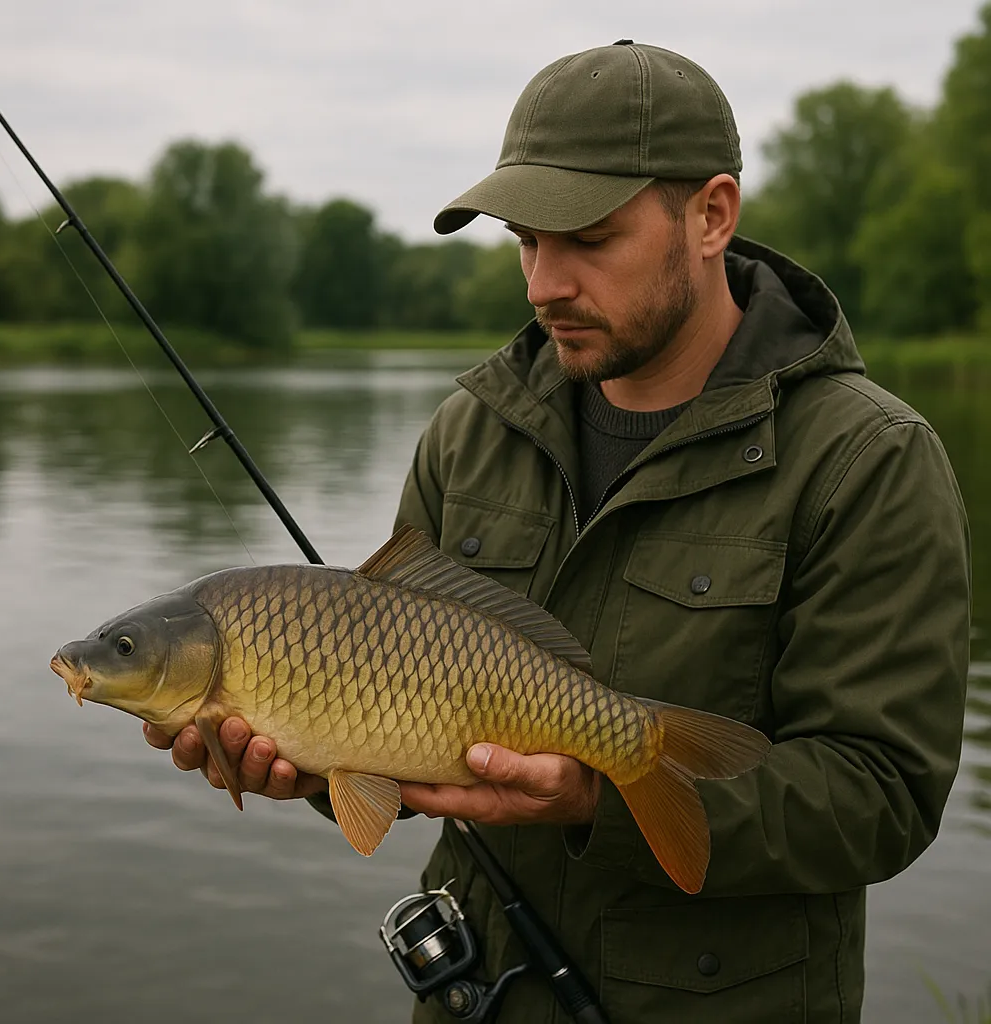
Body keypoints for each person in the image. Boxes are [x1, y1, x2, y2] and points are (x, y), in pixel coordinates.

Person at [143, 41, 971, 1023]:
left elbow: (880, 798)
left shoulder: (866, 459)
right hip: (476, 994)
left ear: (711, 216)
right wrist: (304, 755)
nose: (543, 284)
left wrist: (596, 796)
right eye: (526, 242)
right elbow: (389, 722)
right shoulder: (471, 433)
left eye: (587, 239)